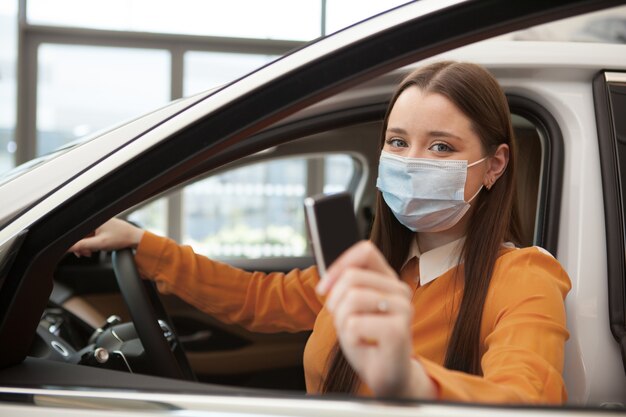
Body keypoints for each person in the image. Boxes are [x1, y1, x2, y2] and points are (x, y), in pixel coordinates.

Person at [70, 61, 570, 404]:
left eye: (441, 147)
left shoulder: (524, 278)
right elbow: (256, 298)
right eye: (398, 142)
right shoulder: (369, 267)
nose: (412, 162)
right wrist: (143, 245)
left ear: (495, 165)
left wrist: (407, 379)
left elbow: (526, 397)